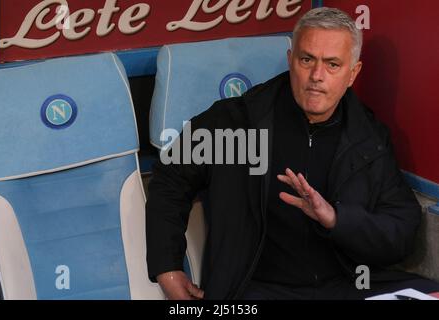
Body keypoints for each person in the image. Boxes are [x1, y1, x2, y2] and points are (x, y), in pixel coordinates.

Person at [146, 7, 439, 300]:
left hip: (352, 284)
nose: (317, 76)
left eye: (333, 65)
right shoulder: (238, 121)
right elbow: (170, 177)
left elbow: (401, 231)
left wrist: (337, 219)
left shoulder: (368, 137)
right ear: (290, 61)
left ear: (353, 73)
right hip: (257, 288)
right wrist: (167, 268)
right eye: (307, 59)